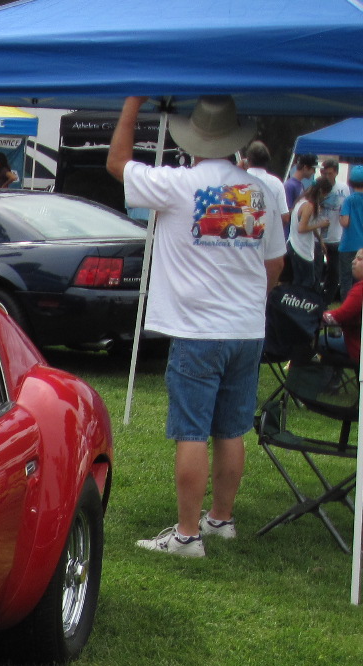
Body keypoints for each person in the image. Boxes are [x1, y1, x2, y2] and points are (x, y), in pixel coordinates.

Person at [107, 95, 285, 558]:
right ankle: (221, 519)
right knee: (232, 429)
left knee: (191, 431)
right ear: (234, 140)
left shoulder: (176, 184)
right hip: (247, 328)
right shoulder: (262, 191)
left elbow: (117, 162)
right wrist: (249, 300)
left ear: (194, 140)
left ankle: (187, 535)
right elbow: (276, 262)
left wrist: (133, 104)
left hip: (198, 328)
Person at [290, 177, 332, 293]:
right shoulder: (309, 205)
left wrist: (320, 240)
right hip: (300, 247)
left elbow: (308, 224)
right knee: (307, 281)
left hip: (297, 245)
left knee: (300, 280)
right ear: (321, 192)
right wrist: (321, 224)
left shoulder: (301, 200)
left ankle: (295, 303)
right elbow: (302, 228)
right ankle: (300, 304)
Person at [321, 249, 363, 363]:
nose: (353, 262)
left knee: (313, 344)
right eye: (354, 258)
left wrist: (317, 315)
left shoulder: (359, 290)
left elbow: (339, 316)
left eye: (359, 259)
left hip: (357, 347)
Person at [317, 157, 350, 299]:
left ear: (336, 172)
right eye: (325, 173)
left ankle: (328, 298)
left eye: (330, 173)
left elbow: (345, 209)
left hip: (336, 235)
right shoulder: (318, 186)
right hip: (318, 235)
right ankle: (315, 297)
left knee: (334, 271)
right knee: (317, 270)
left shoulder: (343, 188)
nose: (327, 176)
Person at [240, 141, 289, 232]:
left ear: (248, 159)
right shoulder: (276, 183)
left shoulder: (237, 180)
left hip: (242, 237)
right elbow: (285, 217)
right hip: (266, 236)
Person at [337, 164, 363, 284]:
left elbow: (345, 222)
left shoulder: (349, 200)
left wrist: (339, 215)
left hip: (348, 245)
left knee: (346, 280)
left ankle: (347, 301)